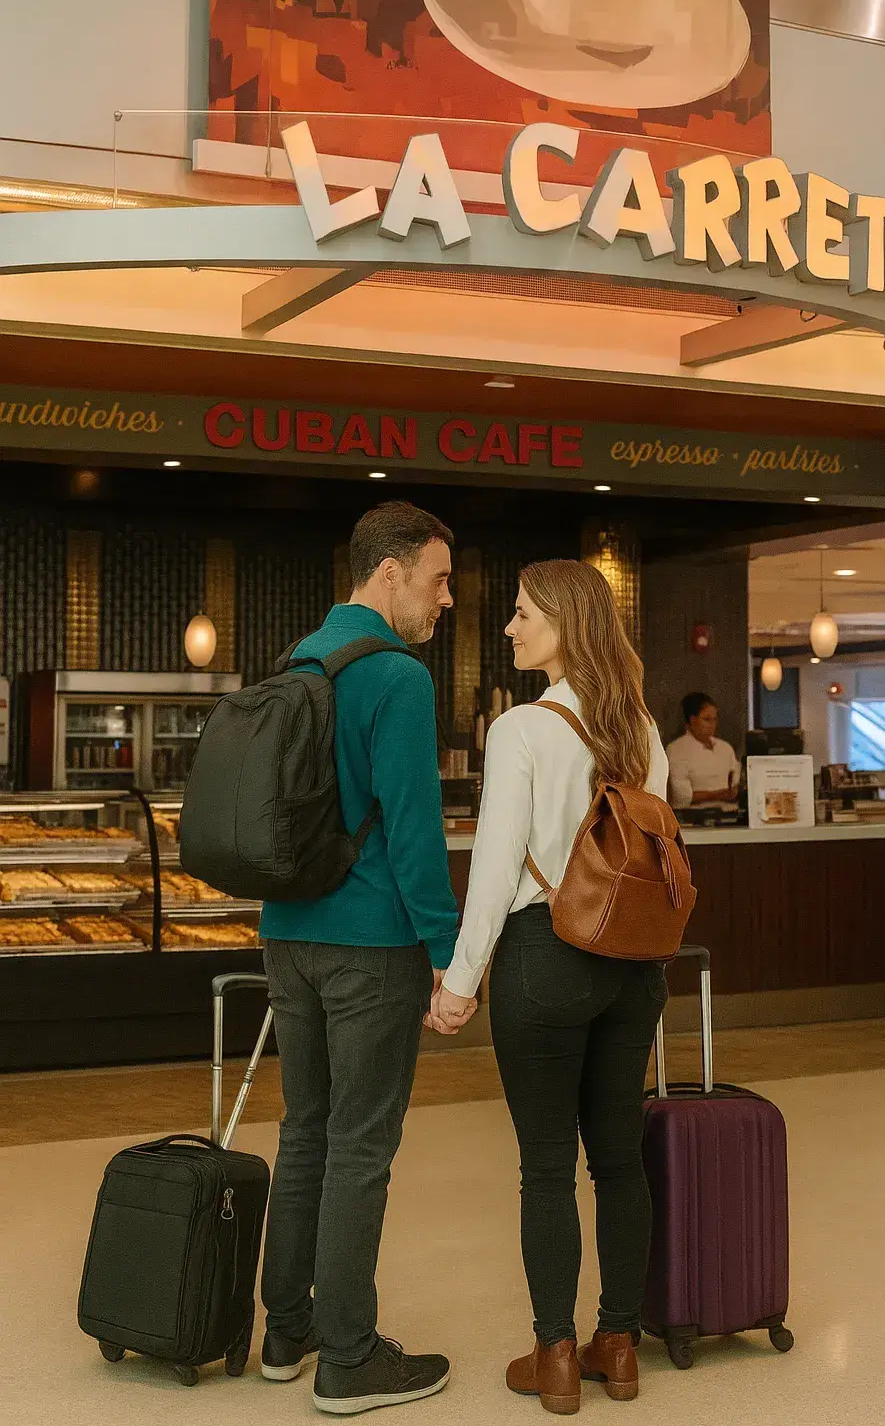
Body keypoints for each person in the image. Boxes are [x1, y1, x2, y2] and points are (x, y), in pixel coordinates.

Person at [432, 560, 670, 1413]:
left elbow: (495, 871)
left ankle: (556, 1356)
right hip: (634, 968)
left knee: (544, 1168)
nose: (509, 627)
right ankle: (621, 1343)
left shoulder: (522, 730)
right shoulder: (641, 729)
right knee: (617, 1160)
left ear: (566, 622)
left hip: (545, 958)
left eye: (524, 612)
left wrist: (459, 983)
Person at [259, 500, 467, 1417]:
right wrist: (449, 954)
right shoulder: (398, 678)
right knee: (360, 1148)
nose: (447, 599)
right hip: (369, 944)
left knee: (305, 1130)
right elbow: (416, 832)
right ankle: (347, 1359)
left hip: (287, 935)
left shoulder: (297, 660)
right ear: (389, 573)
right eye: (438, 579)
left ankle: (285, 1330)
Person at [665, 691, 740, 810]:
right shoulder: (677, 749)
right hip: (694, 817)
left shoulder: (725, 747)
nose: (712, 724)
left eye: (715, 719)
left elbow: (736, 784)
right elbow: (681, 796)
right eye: (707, 719)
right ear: (693, 720)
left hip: (730, 814)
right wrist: (717, 795)